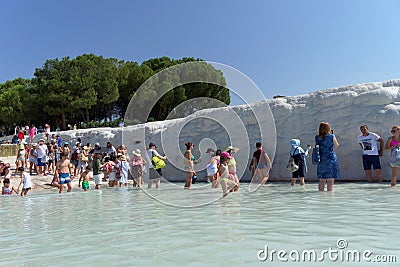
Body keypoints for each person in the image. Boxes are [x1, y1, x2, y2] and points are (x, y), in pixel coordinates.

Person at [315, 122, 341, 191]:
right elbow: (336, 145)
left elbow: (317, 147)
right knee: (330, 180)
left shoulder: (317, 137)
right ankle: (329, 198)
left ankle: (321, 195)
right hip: (330, 158)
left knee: (322, 179)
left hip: (321, 159)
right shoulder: (331, 136)